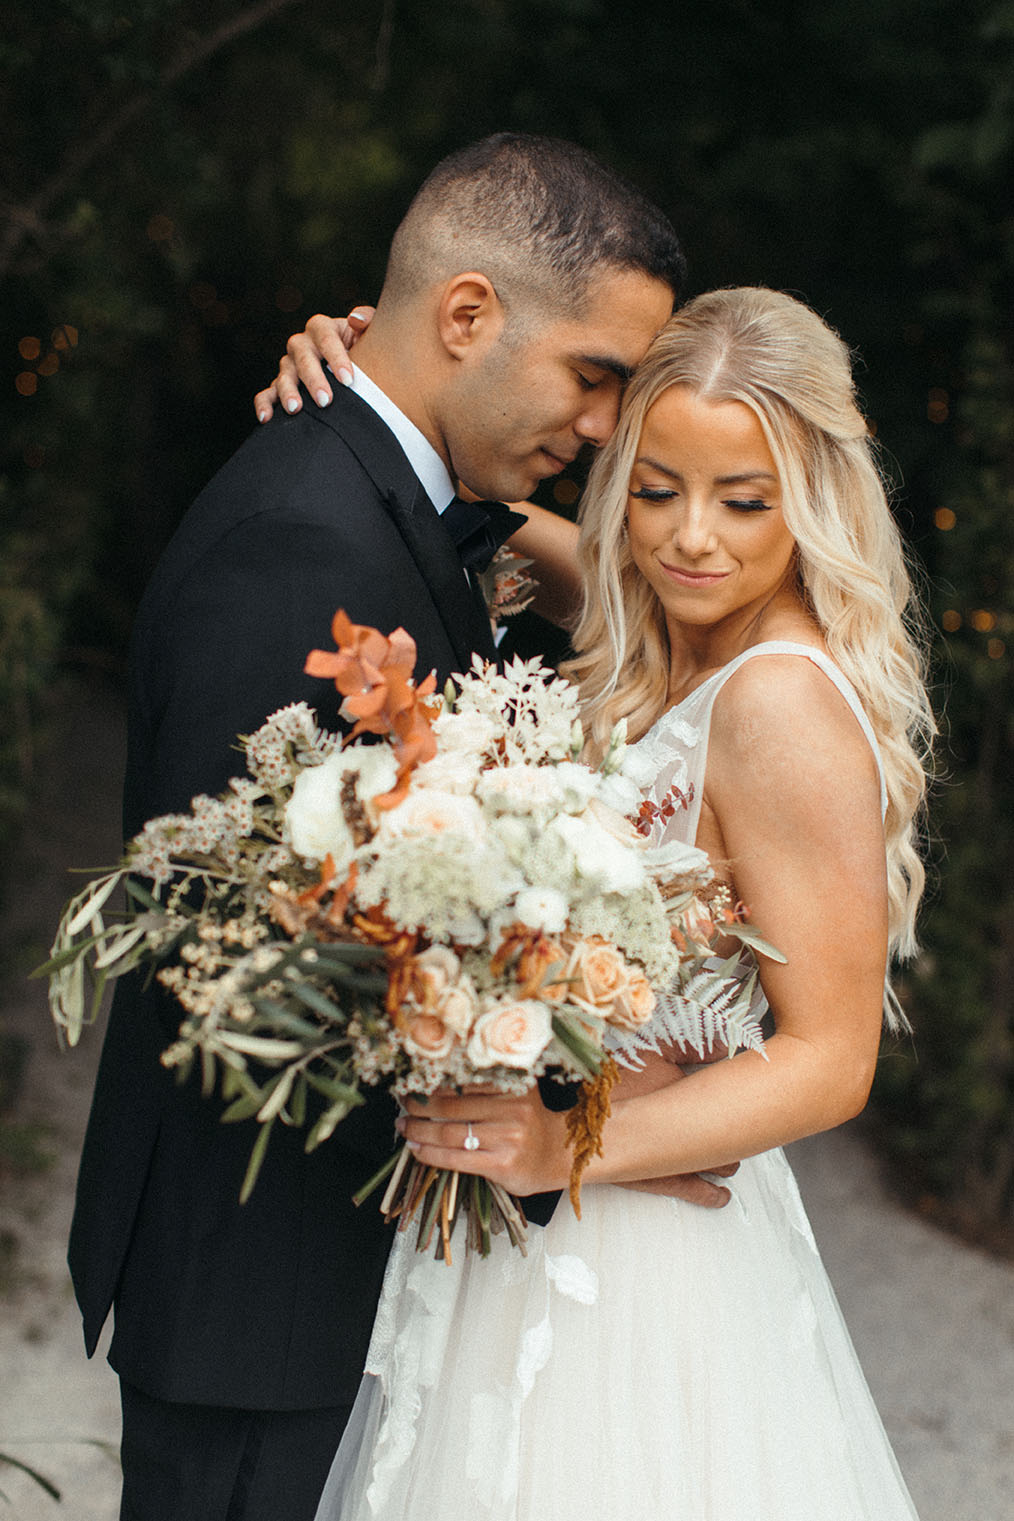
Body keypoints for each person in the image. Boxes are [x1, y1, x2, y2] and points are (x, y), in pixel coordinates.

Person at [69, 133, 740, 1521]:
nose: (609, 429)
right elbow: (246, 940)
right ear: (465, 315)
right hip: (261, 1286)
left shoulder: (407, 508)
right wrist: (578, 1099)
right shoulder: (305, 535)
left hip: (325, 1276)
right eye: (595, 376)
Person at [290, 287, 933, 1519]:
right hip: (541, 1222)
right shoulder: (676, 633)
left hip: (637, 1256)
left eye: (746, 503)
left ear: (813, 502)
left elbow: (832, 1058)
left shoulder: (778, 704)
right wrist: (360, 382)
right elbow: (534, 530)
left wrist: (562, 1149)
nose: (692, 538)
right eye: (654, 490)